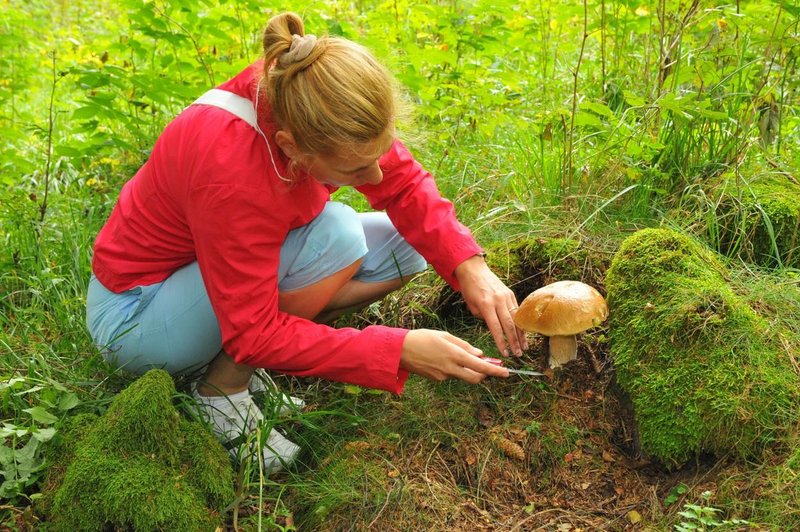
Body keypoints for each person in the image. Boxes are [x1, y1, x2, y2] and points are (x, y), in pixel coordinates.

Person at [85, 12, 527, 474]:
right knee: (335, 234)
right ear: (291, 148)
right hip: (138, 317)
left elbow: (403, 187)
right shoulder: (230, 168)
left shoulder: (315, 98)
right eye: (358, 171)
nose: (375, 176)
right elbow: (253, 330)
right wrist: (395, 349)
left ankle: (234, 362)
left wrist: (471, 267)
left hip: (205, 277)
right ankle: (220, 392)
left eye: (378, 156)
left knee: (406, 244)